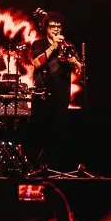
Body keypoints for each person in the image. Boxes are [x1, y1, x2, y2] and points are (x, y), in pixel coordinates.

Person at [29, 12, 82, 171]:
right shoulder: (39, 43)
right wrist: (53, 47)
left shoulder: (68, 44)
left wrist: (74, 61)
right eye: (53, 26)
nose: (56, 29)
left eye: (59, 26)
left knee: (58, 133)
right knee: (40, 132)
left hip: (61, 95)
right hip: (42, 95)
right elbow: (36, 63)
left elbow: (79, 67)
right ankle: (37, 167)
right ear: (46, 28)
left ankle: (54, 167)